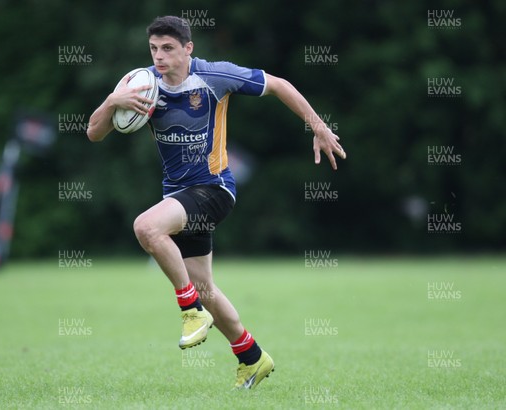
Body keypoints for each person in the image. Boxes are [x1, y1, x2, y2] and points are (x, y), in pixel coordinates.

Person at [87, 15, 346, 390]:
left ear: (188, 49)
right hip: (178, 196)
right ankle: (252, 357)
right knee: (206, 287)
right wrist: (113, 101)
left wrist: (318, 126)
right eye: (154, 49)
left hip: (215, 189)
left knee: (146, 227)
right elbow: (94, 133)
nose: (159, 57)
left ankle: (189, 310)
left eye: (168, 49)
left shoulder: (214, 76)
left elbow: (279, 85)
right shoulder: (140, 85)